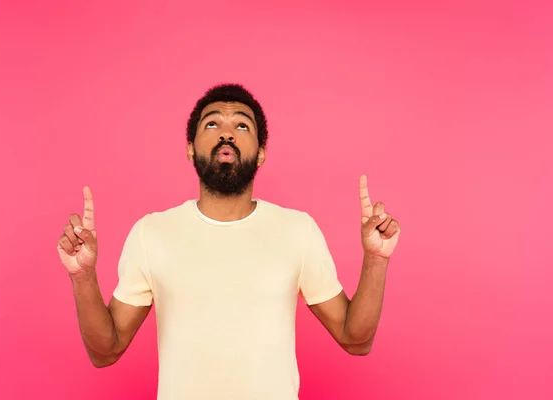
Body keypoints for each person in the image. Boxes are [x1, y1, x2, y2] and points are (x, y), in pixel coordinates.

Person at [57, 83, 401, 400]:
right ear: (191, 150)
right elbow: (105, 351)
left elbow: (356, 340)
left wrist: (376, 259)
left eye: (241, 125)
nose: (226, 133)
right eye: (212, 124)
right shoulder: (152, 233)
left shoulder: (297, 230)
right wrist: (82, 276)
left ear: (261, 152)